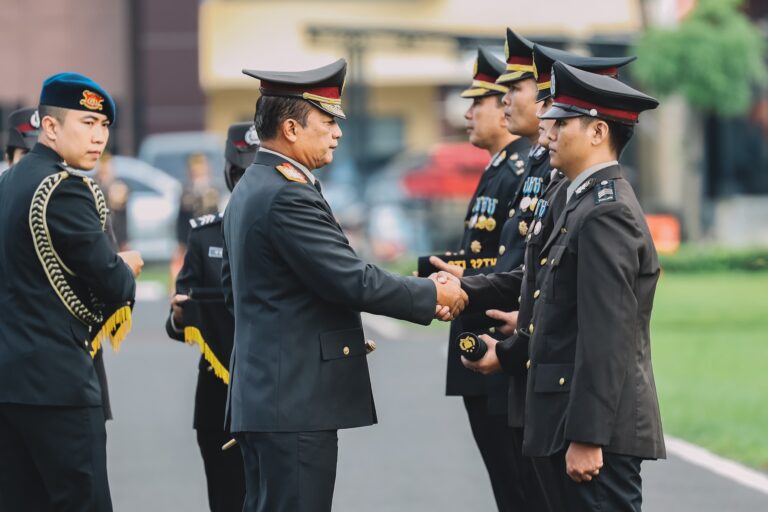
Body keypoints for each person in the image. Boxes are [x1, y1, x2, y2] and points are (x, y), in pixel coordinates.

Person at [222, 58, 466, 512]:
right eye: (327, 121)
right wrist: (434, 294)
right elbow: (349, 279)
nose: (336, 133)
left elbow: (237, 290)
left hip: (270, 398)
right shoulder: (285, 193)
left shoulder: (256, 184)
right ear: (291, 129)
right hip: (291, 403)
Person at [465, 61, 666, 511]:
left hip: (593, 434)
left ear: (597, 132)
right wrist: (510, 350)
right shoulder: (578, 201)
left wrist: (588, 436)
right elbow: (551, 305)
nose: (547, 132)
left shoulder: (606, 212)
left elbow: (607, 336)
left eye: (561, 122)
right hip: (561, 418)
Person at [0, 72, 143, 511]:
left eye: (104, 126)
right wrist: (127, 266)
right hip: (58, 386)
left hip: (9, 384)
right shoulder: (65, 191)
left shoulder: (7, 184)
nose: (99, 137)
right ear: (50, 126)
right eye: (87, 123)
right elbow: (115, 285)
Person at [426, 46, 531, 511]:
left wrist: (463, 279)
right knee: (508, 485)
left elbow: (517, 264)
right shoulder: (500, 168)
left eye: (478, 102)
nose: (468, 113)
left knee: (519, 486)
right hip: (478, 332)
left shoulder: (520, 170)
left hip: (498, 335)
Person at [165, 122, 258, 512]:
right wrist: (178, 318)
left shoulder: (292, 229)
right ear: (229, 173)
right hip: (217, 395)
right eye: (242, 172)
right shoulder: (205, 236)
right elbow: (178, 320)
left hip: (275, 391)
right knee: (225, 499)